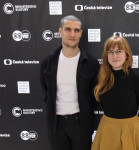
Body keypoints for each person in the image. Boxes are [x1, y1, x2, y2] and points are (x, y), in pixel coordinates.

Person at [40, 15, 99, 150]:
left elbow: (95, 94)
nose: (72, 34)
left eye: (76, 30)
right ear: (60, 31)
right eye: (68, 29)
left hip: (81, 124)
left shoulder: (91, 63)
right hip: (56, 125)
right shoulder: (47, 63)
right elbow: (46, 92)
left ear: (81, 34)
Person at [92, 36, 139, 150]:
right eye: (111, 52)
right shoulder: (102, 79)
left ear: (127, 54)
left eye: (119, 51)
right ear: (106, 55)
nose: (115, 56)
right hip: (107, 129)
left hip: (131, 131)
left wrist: (132, 126)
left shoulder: (136, 79)